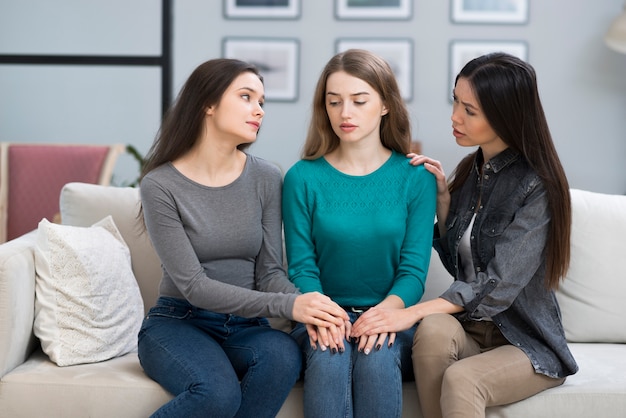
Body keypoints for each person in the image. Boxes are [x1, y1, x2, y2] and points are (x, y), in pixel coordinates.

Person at [350, 52, 579, 418]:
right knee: (434, 331)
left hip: (524, 342)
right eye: (455, 100)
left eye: (469, 110)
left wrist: (408, 313)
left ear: (506, 115)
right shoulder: (471, 170)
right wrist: (443, 200)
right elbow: (456, 259)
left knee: (461, 379)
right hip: (472, 331)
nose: (455, 116)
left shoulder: (537, 186)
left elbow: (496, 285)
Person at [136, 58, 348, 418]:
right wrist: (289, 307)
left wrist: (310, 305)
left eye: (262, 102)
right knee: (217, 395)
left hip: (248, 328)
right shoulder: (160, 185)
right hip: (180, 322)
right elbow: (195, 287)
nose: (259, 110)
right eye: (246, 97)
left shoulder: (265, 176)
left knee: (282, 355)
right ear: (208, 103)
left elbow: (269, 273)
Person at [282, 49, 437, 418]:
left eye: (358, 100)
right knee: (330, 357)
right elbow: (302, 267)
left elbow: (413, 271)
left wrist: (384, 315)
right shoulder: (302, 178)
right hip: (321, 316)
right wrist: (326, 315)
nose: (344, 113)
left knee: (376, 357)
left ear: (385, 105)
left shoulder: (416, 178)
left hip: (389, 317)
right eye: (334, 102)